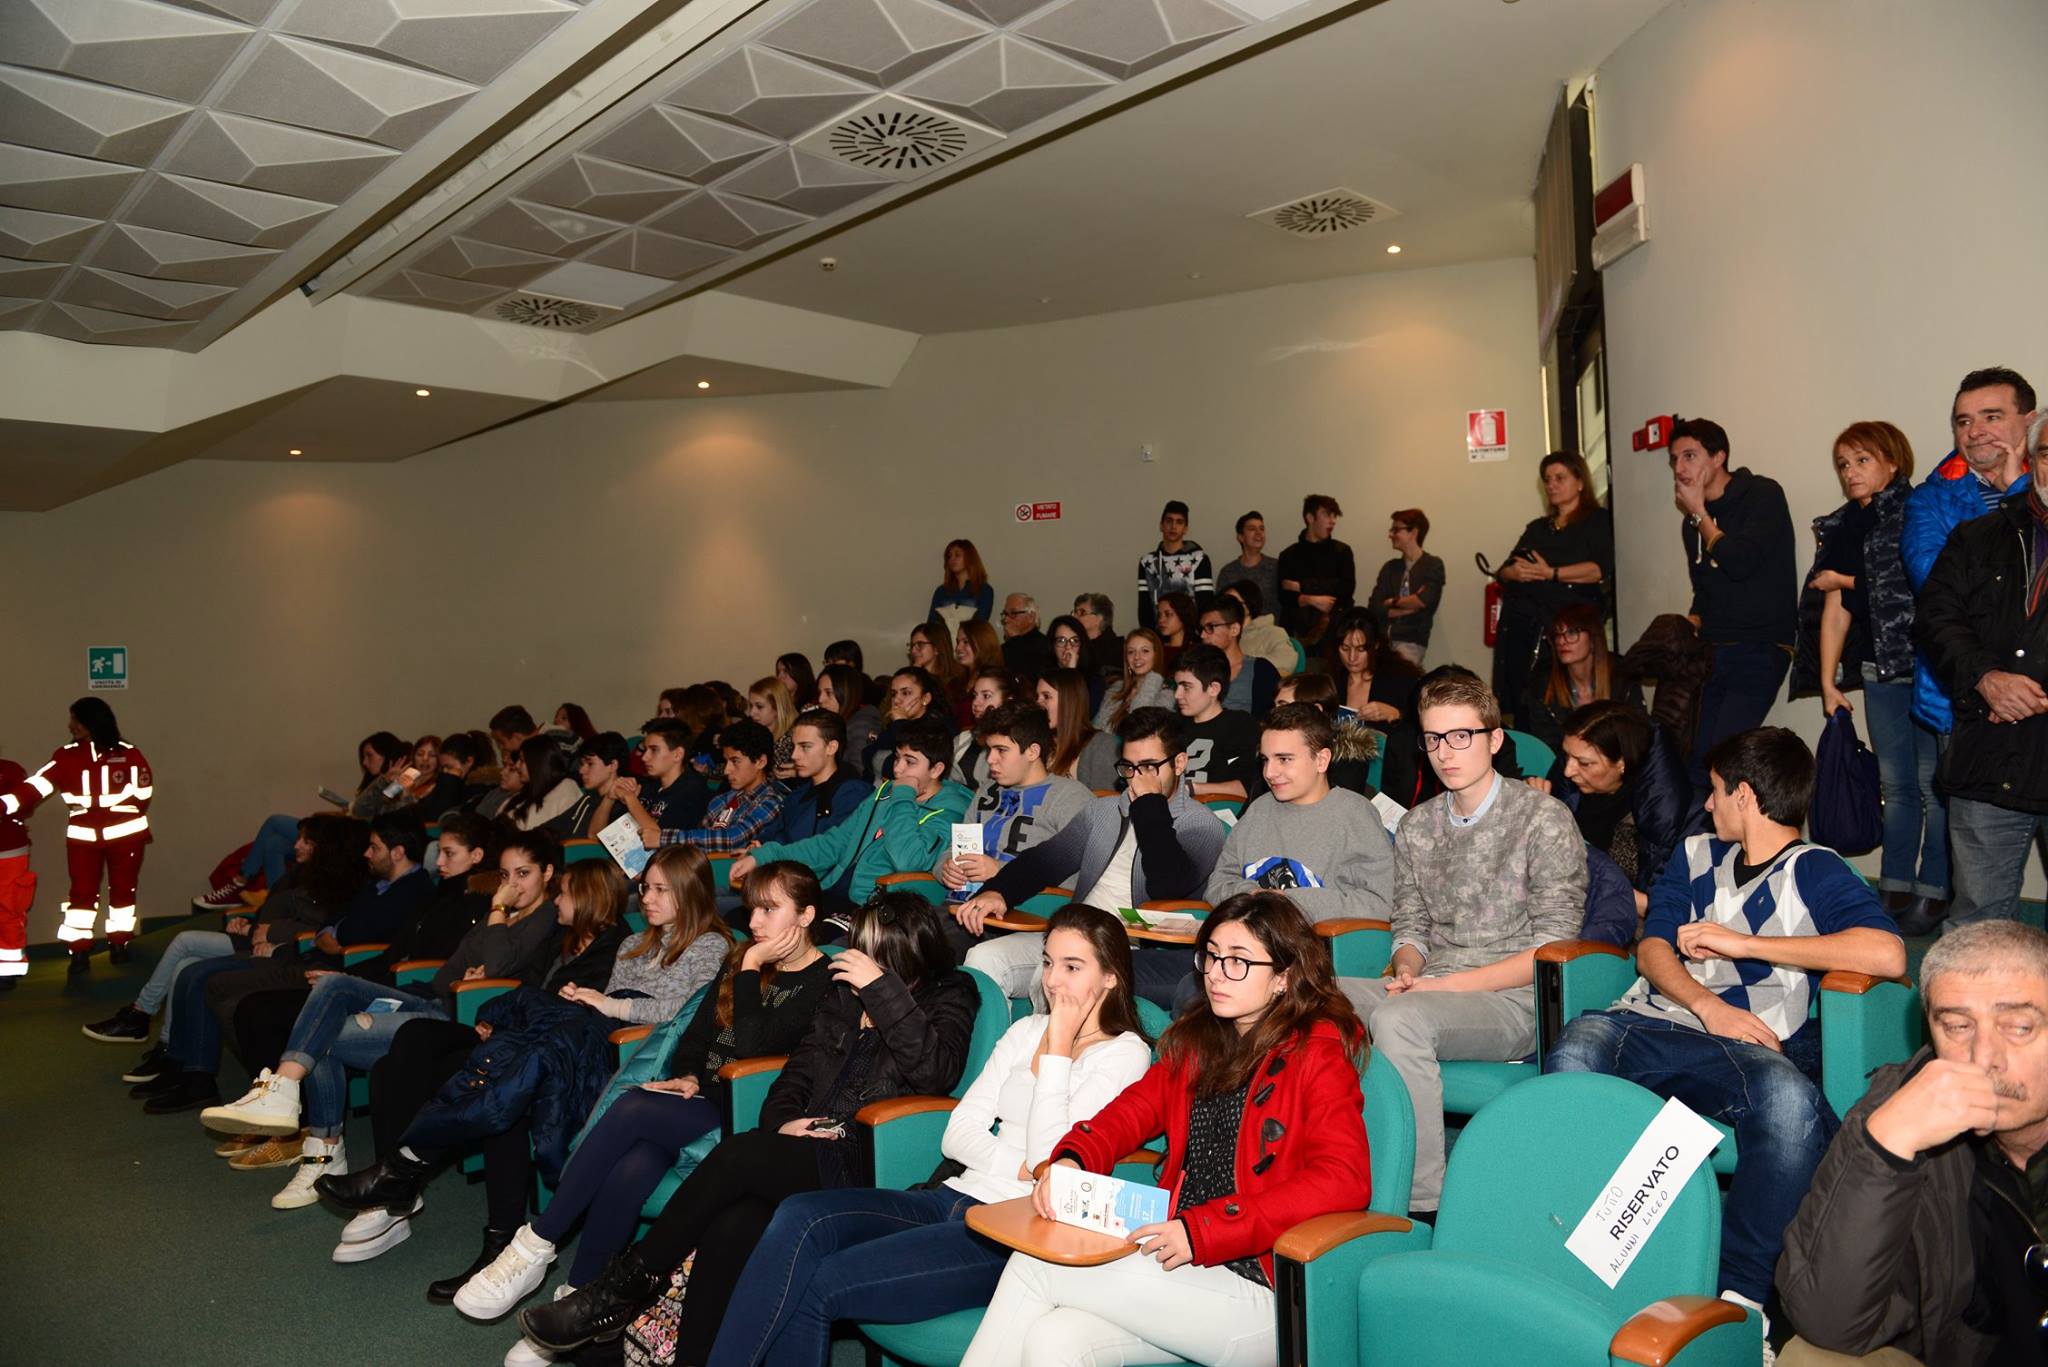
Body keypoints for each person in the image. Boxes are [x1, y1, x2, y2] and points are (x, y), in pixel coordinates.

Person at [513, 892, 980, 1361]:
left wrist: (881, 991)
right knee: (732, 1226)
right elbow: (795, 1074)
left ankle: (619, 1292)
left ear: (909, 949)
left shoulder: (951, 992)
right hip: (805, 1148)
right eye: (861, 947)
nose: (860, 959)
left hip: (869, 1154)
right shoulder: (843, 993)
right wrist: (784, 1123)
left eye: (876, 952)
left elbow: (935, 1073)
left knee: (738, 1155)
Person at [1548, 726, 1905, 1332]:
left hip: (1744, 1047)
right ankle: (1572, 1254)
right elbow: (1653, 950)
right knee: (1575, 1049)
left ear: (1745, 795)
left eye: (1715, 791)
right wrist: (1706, 1004)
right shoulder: (1696, 855)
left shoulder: (1814, 868)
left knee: (1790, 1102)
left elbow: (1888, 953)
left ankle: (1742, 1306)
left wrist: (1743, 944)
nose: (1708, 805)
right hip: (1651, 1023)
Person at [707, 903, 1153, 1367]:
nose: (1052, 980)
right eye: (1047, 962)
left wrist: (1058, 1049)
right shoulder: (1026, 1030)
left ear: (1111, 977)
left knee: (821, 1282)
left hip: (1015, 1233)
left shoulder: (1124, 1055)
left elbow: (1051, 1158)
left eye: (1072, 967)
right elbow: (958, 1132)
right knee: (800, 1215)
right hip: (951, 1196)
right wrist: (1016, 1166)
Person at [958, 893, 1371, 1367]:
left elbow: (1344, 1179)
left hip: (1260, 1286)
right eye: (1211, 956)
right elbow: (1131, 1111)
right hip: (1184, 1262)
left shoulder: (1317, 1053)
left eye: (1238, 961)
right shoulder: (1202, 1040)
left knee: (1037, 1264)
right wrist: (1072, 1157)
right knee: (1056, 1339)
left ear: (1283, 976)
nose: (1216, 974)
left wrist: (1206, 1229)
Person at [450, 862, 838, 1360]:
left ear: (806, 915)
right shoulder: (742, 960)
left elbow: (751, 1044)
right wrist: (690, 1073)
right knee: (632, 1167)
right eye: (752, 909)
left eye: (770, 910)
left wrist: (750, 966)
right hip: (700, 1100)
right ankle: (579, 1305)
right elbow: (696, 1034)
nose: (755, 922)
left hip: (748, 1116)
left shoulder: (821, 981)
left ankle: (536, 1244)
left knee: (634, 1108)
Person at [316, 850, 731, 1265]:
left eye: (660, 890)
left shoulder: (711, 945)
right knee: (502, 1084)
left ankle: (403, 1168)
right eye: (645, 888)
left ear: (689, 892)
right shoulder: (633, 943)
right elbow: (603, 1004)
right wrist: (584, 999)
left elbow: (689, 1012)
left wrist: (611, 1005)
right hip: (586, 1036)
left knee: (508, 1077)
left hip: (631, 1056)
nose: (647, 898)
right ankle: (465, 1216)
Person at [193, 826, 573, 1207]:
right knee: (334, 986)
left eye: (523, 874)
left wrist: (495, 919)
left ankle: (320, 1150)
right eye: (505, 875)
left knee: (323, 1034)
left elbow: (498, 963)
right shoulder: (501, 918)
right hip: (431, 999)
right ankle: (288, 1091)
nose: (511, 885)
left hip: (458, 1018)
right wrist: (477, 963)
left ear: (547, 874)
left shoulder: (542, 918)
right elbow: (446, 974)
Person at [1340, 673, 1585, 1215]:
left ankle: (1422, 1200)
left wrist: (1442, 987)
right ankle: (1335, 1165)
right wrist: (1407, 966)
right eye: (1433, 738)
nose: (1444, 753)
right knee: (1310, 994)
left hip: (1514, 998)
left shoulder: (1543, 818)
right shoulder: (1418, 825)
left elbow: (1551, 949)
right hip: (1433, 985)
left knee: (1401, 1019)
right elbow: (1410, 922)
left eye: (1460, 736)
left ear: (1494, 740)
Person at [1777, 919, 2048, 1366]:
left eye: (2019, 1027)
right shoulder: (1898, 1108)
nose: (1983, 1057)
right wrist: (1885, 1147)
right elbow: (1828, 1323)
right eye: (1957, 1026)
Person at [127, 812, 431, 1117]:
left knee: (222, 989)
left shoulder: (409, 890)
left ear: (398, 852)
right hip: (310, 957)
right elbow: (332, 925)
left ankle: (240, 1086)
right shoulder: (377, 884)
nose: (367, 853)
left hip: (333, 969)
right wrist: (328, 933)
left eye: (374, 847)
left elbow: (351, 932)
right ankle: (193, 1069)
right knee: (200, 975)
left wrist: (323, 934)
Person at [959, 707, 1230, 1006]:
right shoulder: (1103, 811)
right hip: (1070, 934)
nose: (1137, 779)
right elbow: (1045, 861)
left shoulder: (1202, 825)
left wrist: (1150, 805)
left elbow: (1167, 885)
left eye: (1149, 767)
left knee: (1065, 978)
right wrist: (998, 891)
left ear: (1179, 763)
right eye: (1129, 767)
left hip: (1130, 948)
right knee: (982, 959)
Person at [1898, 367, 2037, 937]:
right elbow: (1941, 598)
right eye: (1963, 420)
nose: (1975, 430)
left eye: (1992, 416)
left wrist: (2023, 489)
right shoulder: (1931, 501)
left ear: (2030, 422)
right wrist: (1989, 679)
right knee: (1979, 901)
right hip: (1970, 712)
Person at [1794, 420, 1938, 925]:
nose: (1850, 472)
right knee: (1895, 785)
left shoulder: (1918, 509)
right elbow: (1835, 609)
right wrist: (1828, 682)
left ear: (1892, 463)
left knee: (1933, 785)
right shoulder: (1843, 525)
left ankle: (1935, 887)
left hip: (1927, 668)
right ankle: (1895, 886)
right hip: (1878, 668)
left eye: (1862, 460)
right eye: (1843, 464)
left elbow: (1915, 581)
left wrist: (1845, 578)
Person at [82, 811, 370, 1049]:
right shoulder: (300, 873)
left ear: (323, 847)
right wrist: (246, 922)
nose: (296, 846)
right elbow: (273, 909)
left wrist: (270, 933)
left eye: (305, 841)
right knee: (184, 962)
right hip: (252, 939)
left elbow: (315, 925)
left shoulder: (331, 884)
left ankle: (141, 1015)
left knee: (185, 943)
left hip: (274, 948)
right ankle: (166, 1044)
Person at [734, 715, 971, 934]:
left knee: (798, 935)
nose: (898, 768)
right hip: (835, 893)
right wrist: (764, 856)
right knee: (741, 918)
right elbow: (834, 843)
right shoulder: (884, 794)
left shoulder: (949, 812)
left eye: (910, 762)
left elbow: (908, 861)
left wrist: (903, 797)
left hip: (877, 910)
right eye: (897, 757)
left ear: (936, 769)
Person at [1670, 419, 1798, 790]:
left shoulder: (1761, 494)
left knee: (1723, 758)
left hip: (1760, 647)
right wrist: (1689, 622)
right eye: (1675, 459)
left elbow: (1740, 562)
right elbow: (1704, 590)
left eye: (1690, 456)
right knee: (1695, 760)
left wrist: (1700, 515)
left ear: (1719, 457)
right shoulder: (1691, 525)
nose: (1680, 468)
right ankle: (1699, 829)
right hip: (1712, 651)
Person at [1206, 702, 1395, 925]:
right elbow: (1217, 885)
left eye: (1284, 759)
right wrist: (1254, 896)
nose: (1269, 772)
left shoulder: (1355, 814)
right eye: (1265, 759)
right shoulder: (1259, 809)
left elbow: (1381, 903)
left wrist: (1291, 902)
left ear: (1321, 760)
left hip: (1313, 943)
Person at [1, 697, 153, 972]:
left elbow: (144, 792)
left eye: (75, 719)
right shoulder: (66, 756)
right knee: (81, 895)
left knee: (123, 892)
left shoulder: (129, 753)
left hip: (127, 838)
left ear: (91, 722)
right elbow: (37, 786)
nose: (70, 725)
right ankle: (79, 950)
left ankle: (119, 943)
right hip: (83, 840)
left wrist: (117, 816)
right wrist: (5, 804)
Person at [939, 703, 1092, 941]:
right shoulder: (987, 791)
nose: (990, 760)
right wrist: (946, 867)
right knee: (892, 924)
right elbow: (953, 848)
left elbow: (1080, 876)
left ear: (1032, 751)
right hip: (961, 907)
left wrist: (999, 871)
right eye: (989, 749)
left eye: (1001, 750)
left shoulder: (1070, 797)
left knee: (915, 942)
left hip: (1018, 916)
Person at [1538, 700, 1699, 914]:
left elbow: (1678, 907)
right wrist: (1537, 812)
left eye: (1584, 763)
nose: (1568, 770)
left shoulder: (1665, 814)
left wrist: (1622, 894)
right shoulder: (1566, 791)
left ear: (1622, 762)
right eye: (1566, 755)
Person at [1491, 451, 1615, 722]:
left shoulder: (1597, 521)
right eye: (1547, 480)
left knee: (1560, 704)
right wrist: (1512, 573)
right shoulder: (1538, 528)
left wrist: (1551, 573)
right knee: (1525, 704)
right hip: (1523, 627)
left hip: (1565, 630)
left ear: (1580, 482)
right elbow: (1504, 569)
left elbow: (1599, 570)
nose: (1552, 485)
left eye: (1560, 478)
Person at [1518, 600, 1638, 755]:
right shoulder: (1543, 681)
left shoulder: (1622, 674)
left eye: (1572, 632)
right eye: (1557, 634)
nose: (1562, 641)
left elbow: (1636, 736)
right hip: (1564, 764)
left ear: (1593, 638)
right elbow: (1544, 745)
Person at [663, 721, 788, 852]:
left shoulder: (772, 802)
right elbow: (697, 842)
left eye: (735, 761)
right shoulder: (721, 800)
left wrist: (664, 838)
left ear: (760, 762)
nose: (727, 770)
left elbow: (734, 839)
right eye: (726, 761)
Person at [1172, 644, 1260, 803]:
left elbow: (1246, 789)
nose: (1177, 695)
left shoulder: (1240, 725)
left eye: (1186, 687)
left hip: (1221, 811)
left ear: (1213, 688)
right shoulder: (1173, 725)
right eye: (1176, 686)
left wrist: (1191, 788)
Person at [609, 717, 713, 849]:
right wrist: (609, 798)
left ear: (677, 754)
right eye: (645, 749)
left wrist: (631, 799)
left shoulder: (693, 792)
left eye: (654, 750)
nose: (644, 757)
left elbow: (660, 840)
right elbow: (601, 835)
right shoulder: (649, 785)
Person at [1368, 508, 1446, 668]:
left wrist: (1391, 602)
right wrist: (1406, 607)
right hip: (1382, 641)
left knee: (1400, 679)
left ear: (1413, 532)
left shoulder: (1433, 565)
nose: (1391, 534)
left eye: (1396, 529)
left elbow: (1424, 601)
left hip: (1412, 641)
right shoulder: (1390, 568)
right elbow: (1374, 607)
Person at [1277, 492, 1355, 647]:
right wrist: (1311, 600)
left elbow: (1346, 587)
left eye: (1334, 516)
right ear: (1310, 518)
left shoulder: (1342, 551)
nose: (1332, 521)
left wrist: (1302, 586)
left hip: (1335, 633)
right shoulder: (1289, 555)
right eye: (1327, 515)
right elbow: (1284, 596)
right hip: (1297, 636)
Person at [1326, 607, 1420, 735]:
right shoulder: (1330, 680)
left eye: (1360, 649)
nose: (1352, 657)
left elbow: (1421, 725)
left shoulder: (1400, 680)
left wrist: (1395, 714)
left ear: (1376, 645)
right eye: (1345, 648)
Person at [1035, 667, 1118, 791]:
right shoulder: (1039, 745)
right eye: (1037, 697)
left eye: (1046, 696)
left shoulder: (1102, 745)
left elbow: (1106, 800)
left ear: (1069, 700)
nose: (1038, 703)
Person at [1137, 500, 1216, 630]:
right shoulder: (1147, 562)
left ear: (1185, 528)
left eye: (1179, 522)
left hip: (1191, 633)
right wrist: (1150, 636)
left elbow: (1206, 603)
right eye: (1169, 521)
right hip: (1158, 634)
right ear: (1161, 525)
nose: (1173, 526)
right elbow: (1144, 606)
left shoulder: (1199, 559)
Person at [1198, 596, 1279, 717]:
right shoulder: (1196, 669)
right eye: (1201, 629)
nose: (1202, 635)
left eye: (1210, 628)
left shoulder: (1262, 670)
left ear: (1234, 629)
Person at [866, 666, 948, 781]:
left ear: (925, 698)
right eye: (893, 694)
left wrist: (900, 722)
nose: (896, 700)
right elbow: (867, 755)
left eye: (906, 693)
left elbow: (901, 771)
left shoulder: (939, 728)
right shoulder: (893, 724)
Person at [952, 666, 1016, 798]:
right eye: (975, 696)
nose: (976, 703)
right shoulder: (963, 739)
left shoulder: (1018, 741)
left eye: (986, 696)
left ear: (1008, 700)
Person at [1094, 627, 1171, 730]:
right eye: (1131, 652)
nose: (1137, 657)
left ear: (1156, 655)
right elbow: (1097, 729)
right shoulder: (1116, 688)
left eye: (1145, 651)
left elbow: (1139, 728)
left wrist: (1154, 678)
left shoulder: (1167, 694)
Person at [1216, 509, 1281, 620]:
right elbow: (1221, 609)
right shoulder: (1228, 572)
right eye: (1252, 529)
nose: (1259, 533)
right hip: (1237, 629)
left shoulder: (1276, 567)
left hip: (1270, 630)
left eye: (1261, 528)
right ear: (1241, 537)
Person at [0, 746, 30, 988]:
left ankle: (7, 970)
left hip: (9, 850)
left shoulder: (10, 770)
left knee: (9, 909)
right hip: (11, 849)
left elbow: (25, 803)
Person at [1223, 580, 1297, 676]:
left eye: (1234, 602)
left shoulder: (1273, 632)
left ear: (1249, 605)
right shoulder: (1219, 633)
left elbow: (1286, 660)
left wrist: (1243, 666)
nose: (1227, 608)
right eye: (1224, 603)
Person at [566, 732, 632, 840]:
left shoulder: (624, 804)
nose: (581, 770)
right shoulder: (588, 798)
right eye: (582, 764)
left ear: (612, 765)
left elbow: (597, 839)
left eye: (590, 764)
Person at [816, 663, 881, 772]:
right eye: (819, 693)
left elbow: (858, 771)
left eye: (828, 693)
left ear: (846, 693)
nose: (820, 699)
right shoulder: (834, 722)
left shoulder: (862, 724)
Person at [931, 538, 995, 636]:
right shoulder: (941, 591)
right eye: (949, 556)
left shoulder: (984, 590)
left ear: (970, 558)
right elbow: (931, 624)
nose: (952, 559)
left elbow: (980, 624)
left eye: (957, 555)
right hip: (944, 642)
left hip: (970, 641)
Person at [1045, 614, 1105, 714]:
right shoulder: (1044, 677)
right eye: (1061, 641)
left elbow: (1081, 715)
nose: (1068, 647)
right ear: (1052, 645)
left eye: (1075, 641)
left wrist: (1071, 672)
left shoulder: (1094, 680)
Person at [749, 676, 801, 781]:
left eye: (759, 706)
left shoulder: (792, 739)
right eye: (751, 706)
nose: (752, 713)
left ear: (777, 707)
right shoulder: (756, 734)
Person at [908, 622, 964, 714]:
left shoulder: (953, 685)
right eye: (912, 645)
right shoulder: (909, 676)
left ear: (937, 648)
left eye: (920, 645)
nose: (913, 650)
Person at [1000, 593, 1055, 684]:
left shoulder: (1045, 646)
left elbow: (1029, 678)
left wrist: (1015, 639)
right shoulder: (1004, 647)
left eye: (1013, 613)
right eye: (1005, 614)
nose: (1006, 620)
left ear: (1031, 617)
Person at [1072, 593, 1122, 681]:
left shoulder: (1116, 650)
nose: (1075, 617)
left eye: (1081, 612)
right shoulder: (1073, 645)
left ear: (1099, 618)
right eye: (1074, 613)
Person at [1153, 590, 1198, 674]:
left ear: (1183, 615)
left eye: (1168, 614)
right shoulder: (1157, 649)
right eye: (1159, 615)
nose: (1161, 620)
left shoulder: (1197, 651)